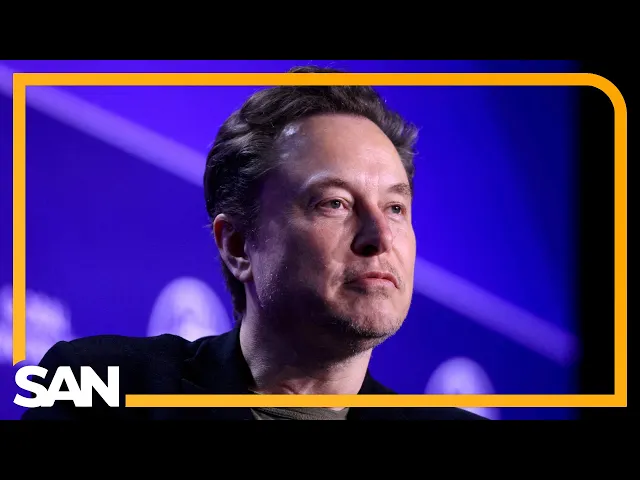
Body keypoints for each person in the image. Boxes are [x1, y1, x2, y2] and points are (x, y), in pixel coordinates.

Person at [21, 65, 485, 420]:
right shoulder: (98, 391)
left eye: (395, 208)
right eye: (335, 203)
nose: (380, 237)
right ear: (239, 245)